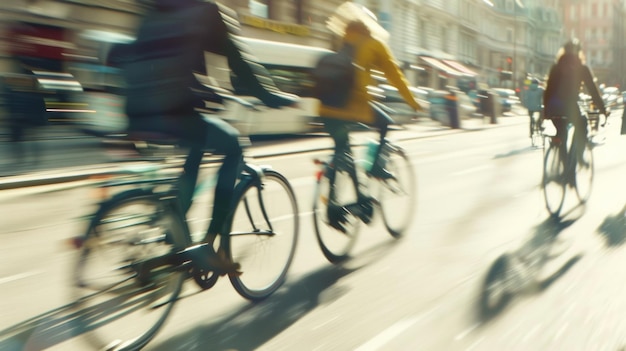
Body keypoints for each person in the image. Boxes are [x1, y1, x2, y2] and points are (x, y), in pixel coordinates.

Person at [108, 0, 297, 274]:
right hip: (176, 111)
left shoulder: (152, 11)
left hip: (138, 114)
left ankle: (175, 231)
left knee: (195, 147)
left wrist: (207, 92)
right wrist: (269, 96)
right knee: (233, 147)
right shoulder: (206, 11)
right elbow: (237, 60)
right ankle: (209, 246)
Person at [317, 19, 421, 232]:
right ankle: (375, 168)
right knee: (385, 122)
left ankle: (334, 209)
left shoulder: (343, 41)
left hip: (326, 109)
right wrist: (413, 102)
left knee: (341, 152)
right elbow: (395, 76)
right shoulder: (374, 44)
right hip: (354, 106)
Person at [543, 39, 606, 170]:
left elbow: (548, 90)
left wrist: (545, 111)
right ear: (579, 52)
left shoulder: (556, 67)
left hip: (553, 106)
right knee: (582, 124)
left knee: (561, 134)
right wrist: (603, 110)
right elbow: (593, 91)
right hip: (569, 106)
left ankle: (563, 169)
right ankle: (577, 159)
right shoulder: (581, 68)